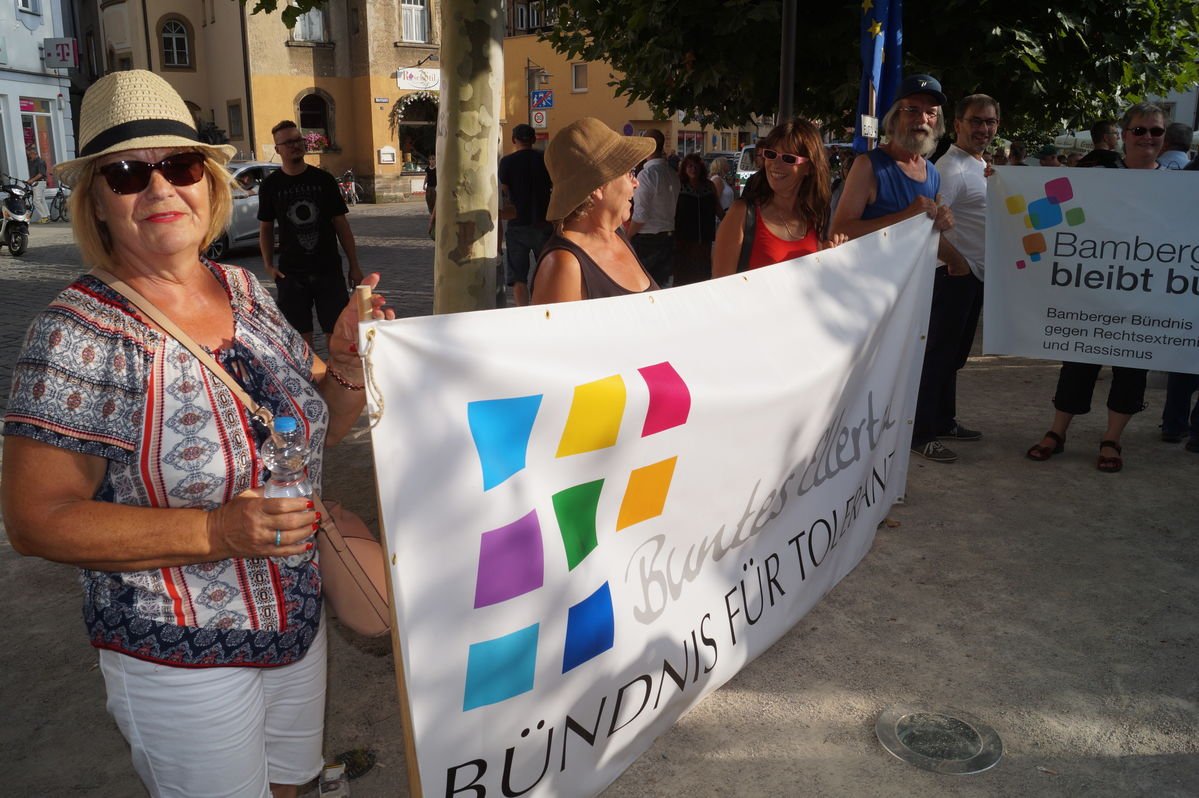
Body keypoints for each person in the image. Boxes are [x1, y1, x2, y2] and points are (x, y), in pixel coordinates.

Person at [0, 70, 393, 798]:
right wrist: (214, 531)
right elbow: (35, 520)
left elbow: (317, 428)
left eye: (179, 166)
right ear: (96, 202)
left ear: (208, 184)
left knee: (291, 785)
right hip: (178, 650)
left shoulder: (243, 291)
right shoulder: (76, 333)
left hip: (295, 617)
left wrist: (343, 365)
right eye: (127, 174)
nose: (159, 189)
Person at [1026, 102, 1167, 473]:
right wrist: (998, 182)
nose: (1148, 137)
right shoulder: (1096, 175)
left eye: (1156, 131)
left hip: (1144, 295)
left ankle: (1111, 439)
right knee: (1078, 362)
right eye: (1140, 130)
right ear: (1124, 134)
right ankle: (1057, 432)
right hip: (1093, 289)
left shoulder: (1178, 185)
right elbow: (1052, 206)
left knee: (1131, 370)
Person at [830, 74, 958, 462]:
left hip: (911, 298)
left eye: (930, 113)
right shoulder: (869, 165)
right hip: (866, 302)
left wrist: (942, 228)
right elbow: (841, 231)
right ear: (894, 118)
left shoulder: (932, 172)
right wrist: (906, 215)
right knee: (862, 386)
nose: (921, 119)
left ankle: (886, 456)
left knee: (900, 380)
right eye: (912, 110)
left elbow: (922, 233)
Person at [907, 93, 1000, 465]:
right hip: (952, 274)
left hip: (972, 274)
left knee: (954, 356)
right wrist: (956, 262)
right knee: (938, 356)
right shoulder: (951, 168)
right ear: (958, 123)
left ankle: (943, 421)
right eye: (976, 120)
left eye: (990, 121)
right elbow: (924, 223)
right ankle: (921, 433)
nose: (983, 128)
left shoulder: (978, 165)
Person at [258, 120, 364, 346]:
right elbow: (265, 227)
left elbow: (341, 224)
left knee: (337, 336)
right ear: (277, 149)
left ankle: (335, 370)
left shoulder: (324, 180)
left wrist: (354, 265)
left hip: (328, 270)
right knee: (299, 341)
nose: (295, 145)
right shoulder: (271, 186)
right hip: (291, 274)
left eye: (298, 139)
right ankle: (310, 371)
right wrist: (268, 265)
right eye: (288, 142)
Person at [530, 117, 657, 303]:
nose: (635, 183)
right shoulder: (564, 264)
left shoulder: (616, 235)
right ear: (598, 186)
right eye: (629, 173)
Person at [712, 119, 843, 278]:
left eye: (788, 158)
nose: (775, 164)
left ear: (809, 167)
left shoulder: (816, 218)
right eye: (771, 154)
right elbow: (720, 287)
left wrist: (830, 256)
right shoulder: (741, 214)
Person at [498, 123, 553, 306]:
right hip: (543, 221)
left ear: (514, 140)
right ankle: (543, 307)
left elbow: (504, 191)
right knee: (546, 271)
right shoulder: (545, 159)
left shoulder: (507, 162)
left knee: (518, 277)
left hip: (517, 222)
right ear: (534, 139)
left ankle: (523, 310)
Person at [626, 129, 680, 287]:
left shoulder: (646, 175)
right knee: (665, 285)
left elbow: (640, 216)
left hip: (648, 241)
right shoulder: (672, 174)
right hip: (668, 236)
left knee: (644, 285)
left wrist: (627, 237)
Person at [673, 153, 719, 285]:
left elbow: (717, 207)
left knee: (703, 273)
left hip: (705, 238)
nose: (693, 169)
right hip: (683, 238)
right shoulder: (679, 185)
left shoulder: (709, 186)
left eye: (696, 166)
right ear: (684, 168)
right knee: (684, 273)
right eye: (690, 166)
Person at [25, 144, 50, 223]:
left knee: (36, 201)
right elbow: (35, 174)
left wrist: (32, 180)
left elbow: (41, 174)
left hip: (39, 183)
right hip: (37, 183)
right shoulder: (33, 162)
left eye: (30, 155)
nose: (29, 156)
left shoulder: (40, 162)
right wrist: (29, 180)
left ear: (34, 153)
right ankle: (47, 216)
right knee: (42, 200)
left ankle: (44, 217)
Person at [423, 154, 437, 238]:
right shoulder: (428, 168)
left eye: (433, 159)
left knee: (435, 203)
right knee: (429, 201)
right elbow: (427, 176)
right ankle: (432, 214)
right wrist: (424, 184)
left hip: (435, 188)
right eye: (430, 159)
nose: (431, 161)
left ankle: (434, 217)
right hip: (429, 187)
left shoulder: (437, 168)